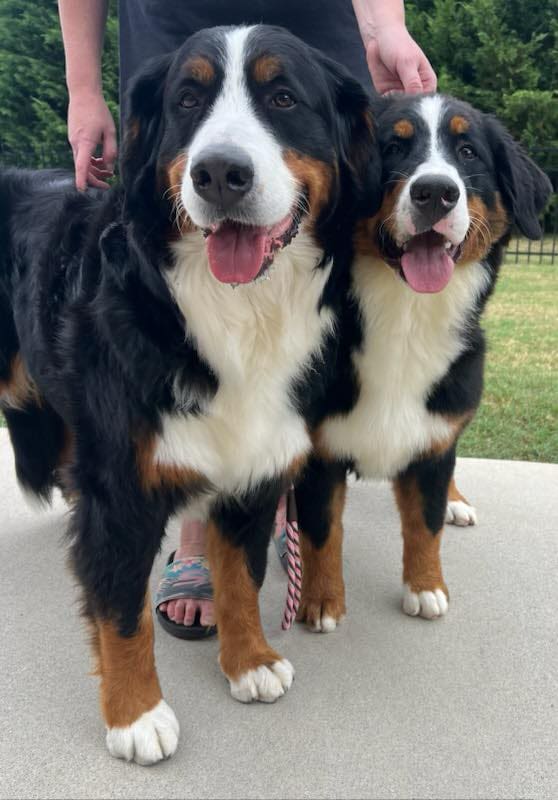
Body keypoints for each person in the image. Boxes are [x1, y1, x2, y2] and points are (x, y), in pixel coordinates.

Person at [58, 0, 437, 637]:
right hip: (171, 18)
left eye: (281, 101)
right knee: (173, 317)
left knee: (317, 283)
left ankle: (272, 480)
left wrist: (386, 26)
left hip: (321, 22)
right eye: (190, 104)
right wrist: (83, 88)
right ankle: (199, 529)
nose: (222, 160)